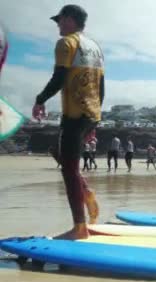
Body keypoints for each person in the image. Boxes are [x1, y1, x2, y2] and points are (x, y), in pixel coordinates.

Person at [31, 4, 103, 240]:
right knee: (65, 159)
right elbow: (101, 87)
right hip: (91, 112)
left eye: (60, 20)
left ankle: (79, 228)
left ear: (70, 19)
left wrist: (40, 100)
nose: (58, 25)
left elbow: (59, 77)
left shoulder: (67, 43)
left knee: (69, 169)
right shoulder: (95, 48)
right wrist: (94, 121)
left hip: (74, 114)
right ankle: (87, 192)